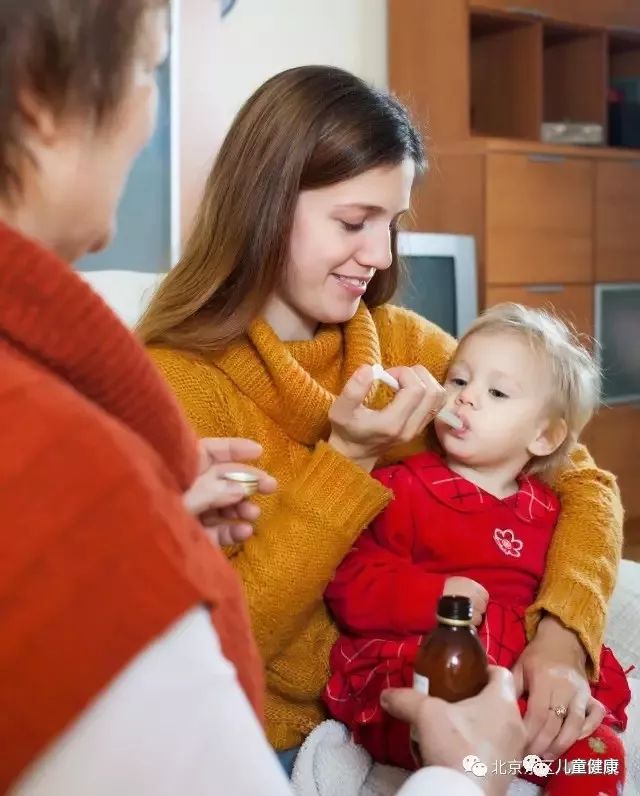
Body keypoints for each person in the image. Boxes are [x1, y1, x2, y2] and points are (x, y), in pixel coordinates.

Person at [139, 65, 624, 775]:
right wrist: (347, 458)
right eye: (353, 221)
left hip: (441, 694)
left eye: (392, 222)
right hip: (273, 731)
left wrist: (561, 635)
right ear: (265, 205)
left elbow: (583, 482)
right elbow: (227, 635)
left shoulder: (404, 342)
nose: (382, 255)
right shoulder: (178, 381)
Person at [0, 1, 278, 792]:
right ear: (40, 103)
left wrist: (150, 524)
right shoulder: (64, 468)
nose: (149, 115)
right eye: (148, 69)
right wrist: (470, 771)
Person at [325, 304, 630, 794]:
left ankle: (536, 761)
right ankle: (480, 771)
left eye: (496, 392)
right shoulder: (401, 488)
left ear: (545, 435)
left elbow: (571, 572)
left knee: (596, 750)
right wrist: (436, 595)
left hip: (513, 675)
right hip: (424, 663)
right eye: (459, 381)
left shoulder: (549, 511)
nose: (466, 399)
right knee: (441, 714)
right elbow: (349, 584)